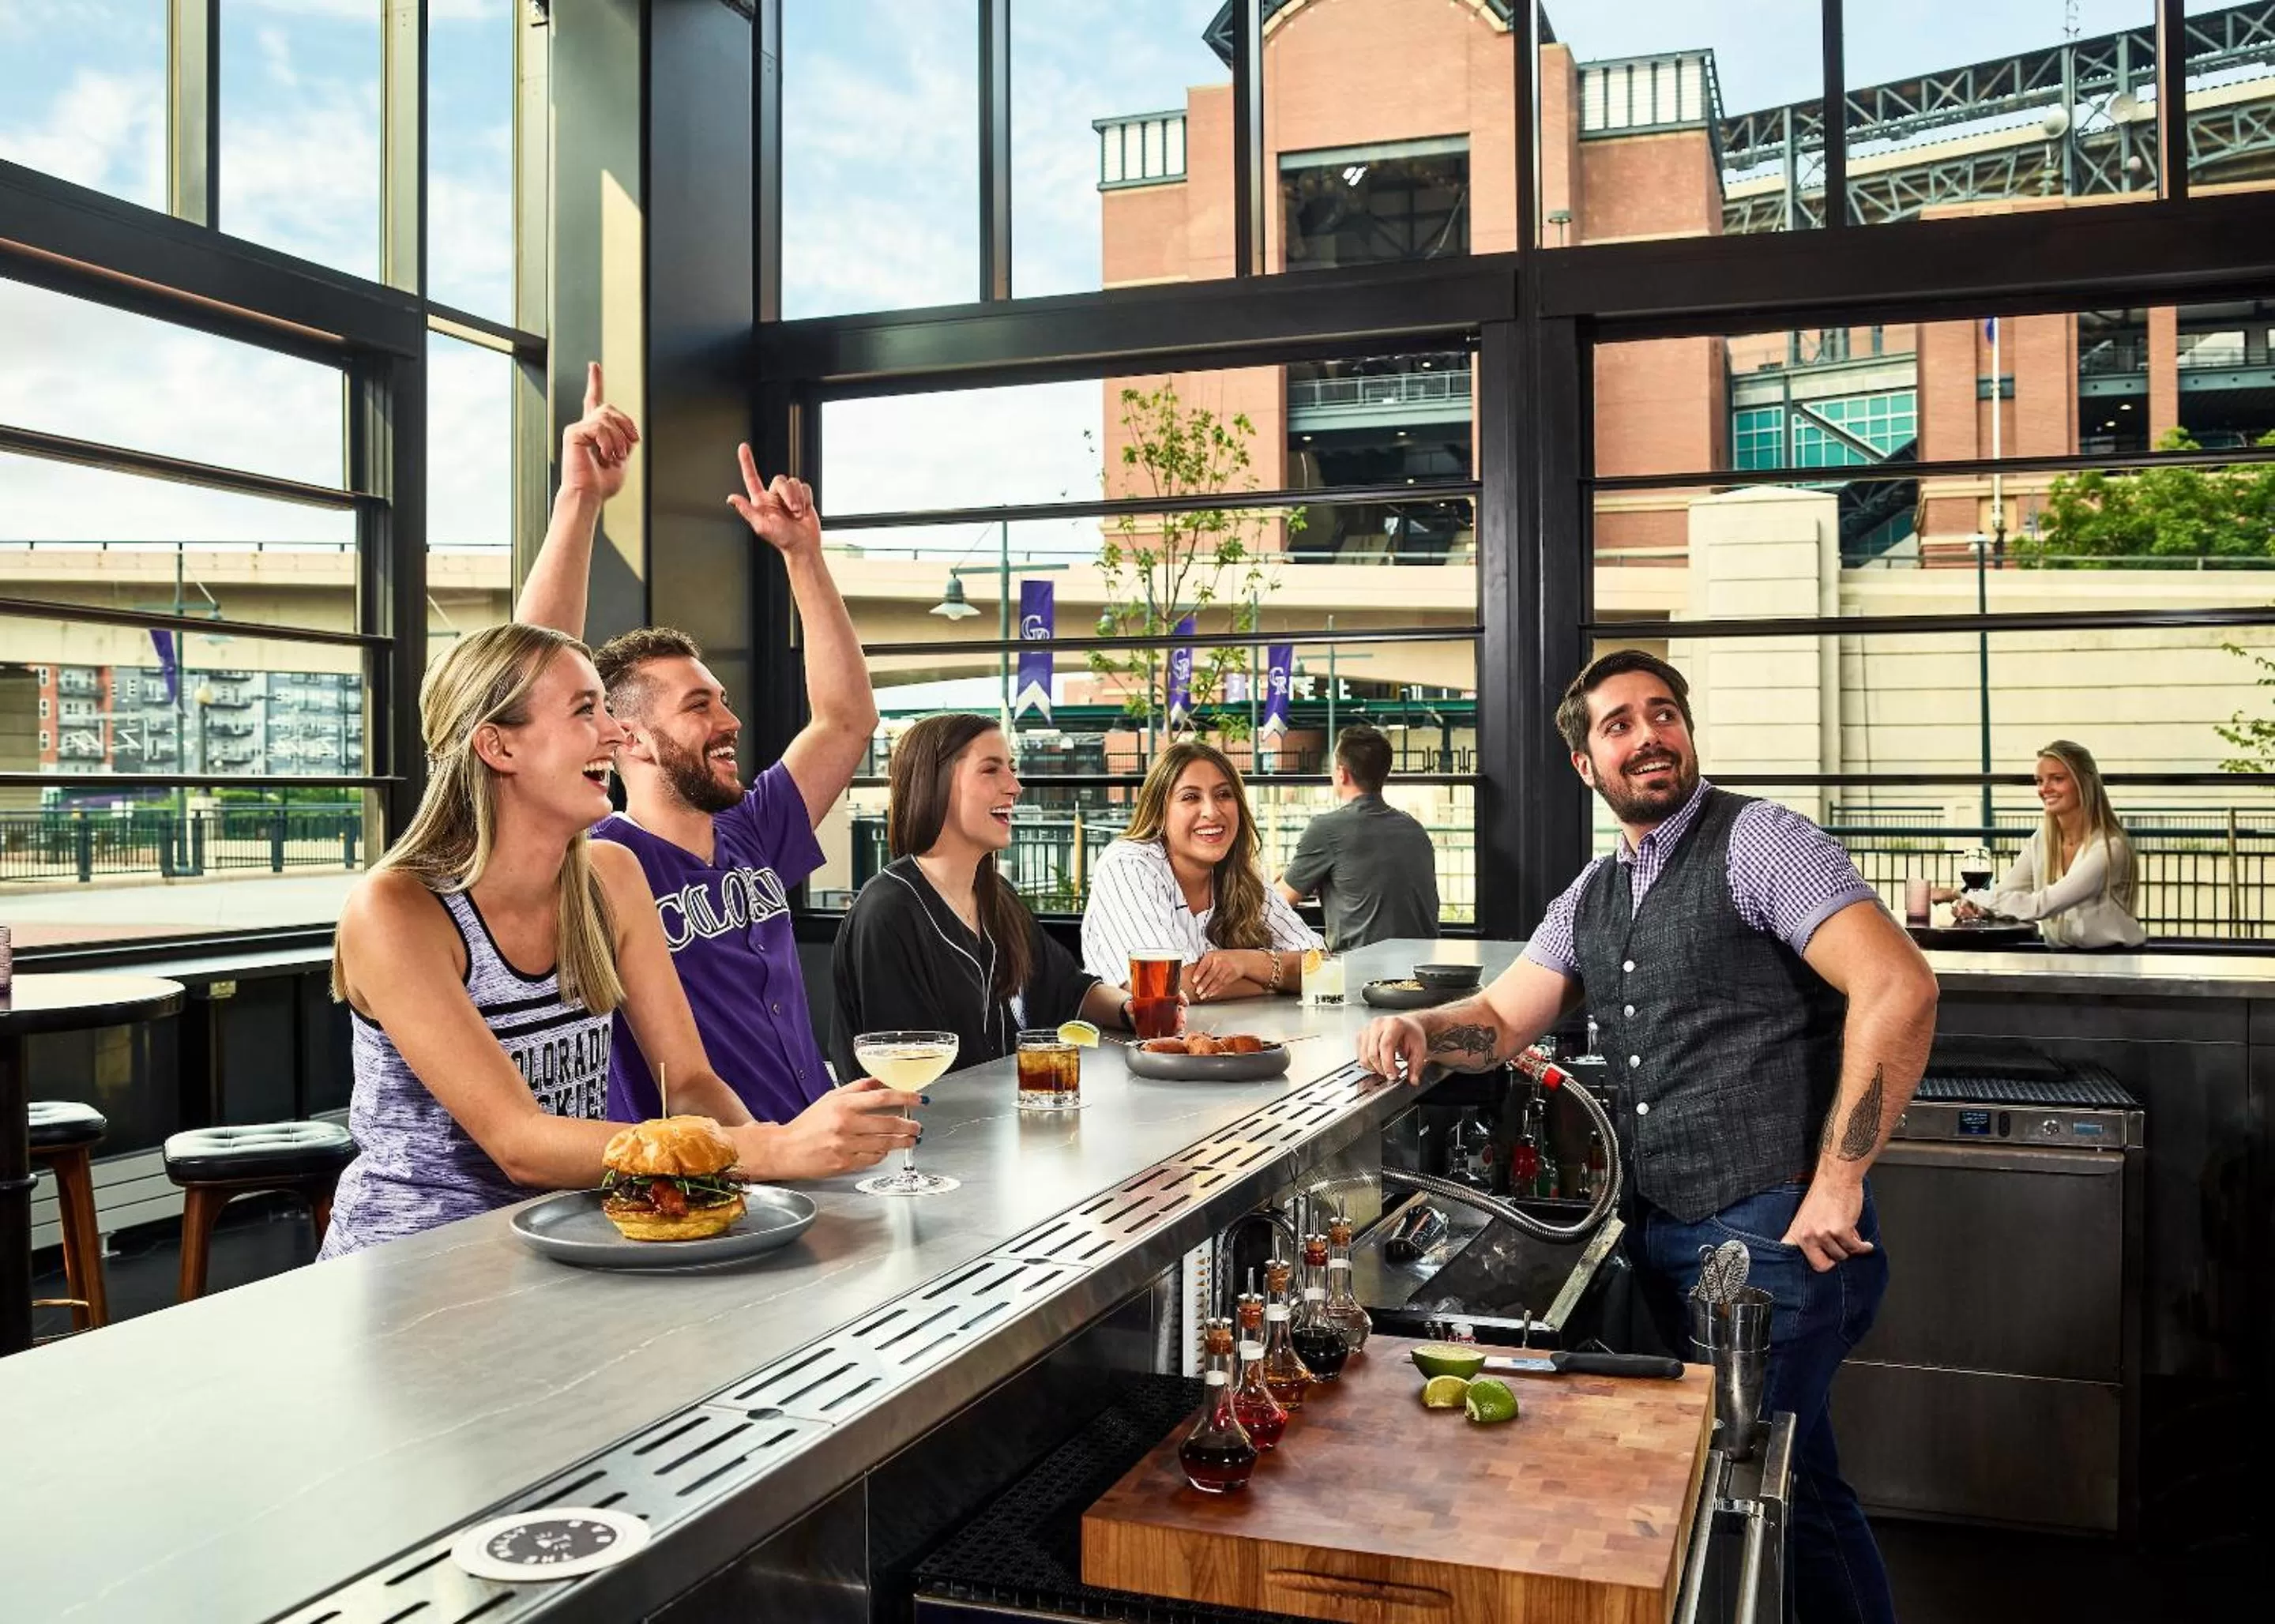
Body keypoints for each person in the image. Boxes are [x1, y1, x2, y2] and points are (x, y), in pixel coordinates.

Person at [1356, 650, 1937, 1624]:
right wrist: (1423, 1032)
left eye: (1662, 714)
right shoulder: (1594, 892)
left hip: (1773, 1231)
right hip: (1669, 1232)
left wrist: (1840, 1182)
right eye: (1618, 724)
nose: (1647, 736)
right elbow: (1500, 1022)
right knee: (1782, 1477)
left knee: (1747, 1479)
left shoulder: (1760, 843)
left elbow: (1899, 986)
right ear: (1586, 763)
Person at [322, 623, 920, 1258]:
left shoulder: (610, 876)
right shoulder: (397, 910)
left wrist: (778, 1173)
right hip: (415, 1259)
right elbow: (519, 1144)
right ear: (497, 746)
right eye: (586, 710)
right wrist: (767, 1149)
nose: (613, 732)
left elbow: (688, 1083)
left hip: (573, 1237)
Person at [515, 365, 878, 1122]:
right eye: (699, 706)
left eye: (724, 700)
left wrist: (803, 557)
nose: (731, 722)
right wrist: (580, 499)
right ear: (630, 739)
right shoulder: (594, 863)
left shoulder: (754, 827)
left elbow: (847, 720)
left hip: (816, 1146)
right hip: (702, 1179)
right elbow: (528, 676)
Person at [830, 714, 1136, 1081]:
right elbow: (906, 1074)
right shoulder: (888, 913)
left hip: (1001, 1122)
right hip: (926, 1132)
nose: (1014, 786)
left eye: (1012, 768)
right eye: (991, 770)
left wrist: (1131, 1008)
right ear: (936, 783)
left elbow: (1067, 989)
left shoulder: (996, 897)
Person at [1081, 739, 1319, 1001]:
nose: (1212, 812)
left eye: (1223, 795)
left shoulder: (1240, 874)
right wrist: (1278, 982)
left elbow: (1321, 966)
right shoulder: (1128, 864)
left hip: (1229, 1032)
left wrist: (1247, 962)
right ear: (1159, 812)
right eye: (1190, 797)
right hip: (1133, 1040)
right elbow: (1165, 985)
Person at [1951, 740, 2145, 949]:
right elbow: (2007, 892)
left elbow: (2041, 906)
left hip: (2114, 962)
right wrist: (1978, 907)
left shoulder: (2109, 846)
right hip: (2062, 959)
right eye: (2039, 781)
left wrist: (1962, 893)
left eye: (2057, 779)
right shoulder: (2042, 838)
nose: (2045, 789)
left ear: (2084, 783)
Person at [1275, 724, 1441, 950]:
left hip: (1360, 975)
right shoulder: (1415, 829)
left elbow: (1277, 906)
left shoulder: (1325, 829)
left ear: (1342, 774)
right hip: (1422, 972)